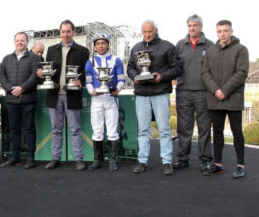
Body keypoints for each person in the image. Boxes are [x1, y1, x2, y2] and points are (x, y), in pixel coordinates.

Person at [127, 20, 182, 175]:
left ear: (156, 30)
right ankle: (142, 161)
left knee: (164, 129)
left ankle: (167, 162)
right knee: (143, 129)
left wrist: (162, 76)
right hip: (142, 93)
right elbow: (130, 67)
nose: (147, 34)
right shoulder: (136, 48)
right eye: (144, 32)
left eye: (150, 31)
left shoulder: (167, 46)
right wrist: (135, 76)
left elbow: (178, 68)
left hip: (160, 92)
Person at [37, 19, 90, 171]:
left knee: (75, 129)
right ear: (60, 32)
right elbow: (48, 70)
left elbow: (87, 73)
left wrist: (80, 80)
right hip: (54, 94)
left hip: (72, 95)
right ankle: (55, 158)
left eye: (68, 31)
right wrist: (42, 74)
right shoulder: (51, 50)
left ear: (74, 32)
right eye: (63, 31)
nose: (65, 34)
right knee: (56, 129)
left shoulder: (82, 51)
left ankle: (79, 159)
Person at [202, 20, 249, 179]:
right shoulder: (210, 51)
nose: (223, 34)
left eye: (226, 31)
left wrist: (225, 91)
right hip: (215, 99)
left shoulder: (241, 50)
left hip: (233, 99)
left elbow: (242, 73)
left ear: (231, 31)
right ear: (217, 33)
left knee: (237, 132)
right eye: (220, 31)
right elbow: (205, 74)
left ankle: (240, 166)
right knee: (217, 132)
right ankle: (217, 164)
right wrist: (216, 90)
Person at [173, 14, 214, 173]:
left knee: (204, 127)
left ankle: (205, 160)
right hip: (183, 92)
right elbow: (174, 66)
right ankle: (183, 158)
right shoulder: (180, 45)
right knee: (183, 128)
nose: (192, 28)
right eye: (190, 25)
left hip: (204, 93)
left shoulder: (210, 45)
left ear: (201, 27)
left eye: (195, 25)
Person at [0, 32, 41, 169]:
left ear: (27, 42)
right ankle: (14, 157)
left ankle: (30, 158)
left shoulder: (34, 58)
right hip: (11, 100)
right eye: (17, 40)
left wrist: (22, 88)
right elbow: (1, 76)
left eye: (22, 40)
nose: (20, 42)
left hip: (28, 99)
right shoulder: (6, 59)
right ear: (14, 42)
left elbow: (35, 76)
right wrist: (11, 88)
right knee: (14, 129)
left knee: (29, 129)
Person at [85, 32, 125, 172]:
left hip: (111, 99)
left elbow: (121, 79)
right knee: (97, 130)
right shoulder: (90, 61)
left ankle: (113, 160)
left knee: (112, 131)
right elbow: (88, 81)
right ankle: (97, 160)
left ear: (108, 44)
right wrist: (91, 91)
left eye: (103, 43)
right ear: (94, 46)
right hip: (96, 99)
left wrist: (117, 90)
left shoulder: (116, 60)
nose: (101, 46)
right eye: (98, 43)